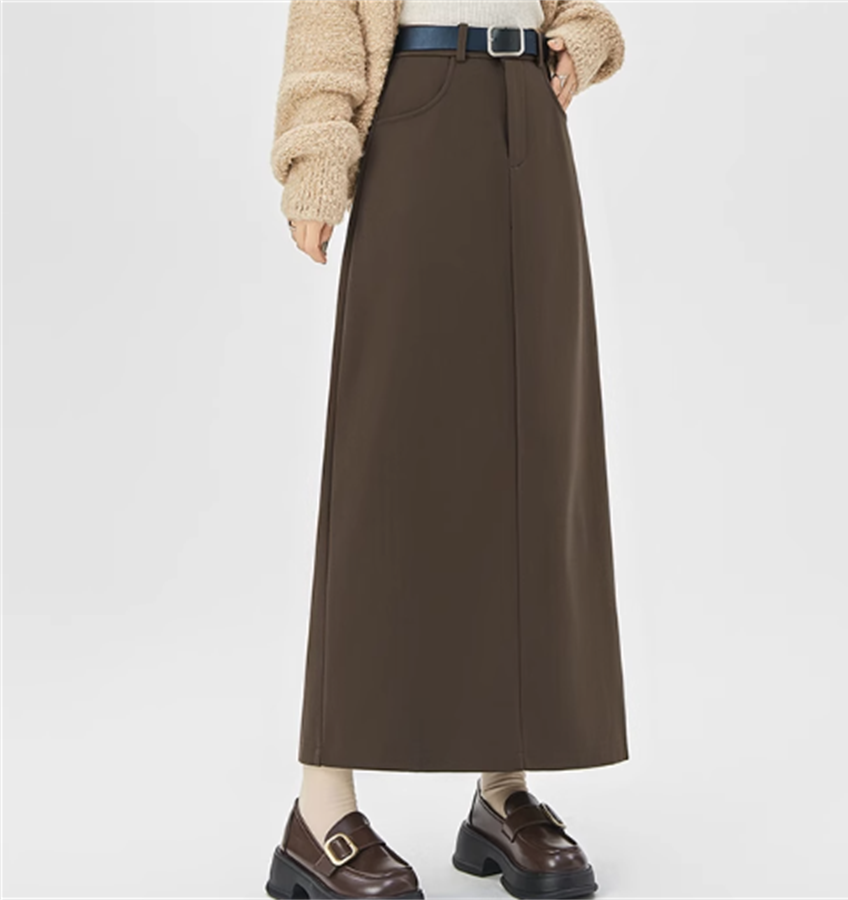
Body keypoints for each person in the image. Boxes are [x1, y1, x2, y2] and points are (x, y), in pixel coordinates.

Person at [264, 2, 628, 898]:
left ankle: (502, 790)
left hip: (529, 121)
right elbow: (327, 21)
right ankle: (320, 808)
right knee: (385, 459)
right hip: (416, 108)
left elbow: (578, 10)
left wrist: (579, 44)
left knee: (534, 449)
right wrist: (317, 155)